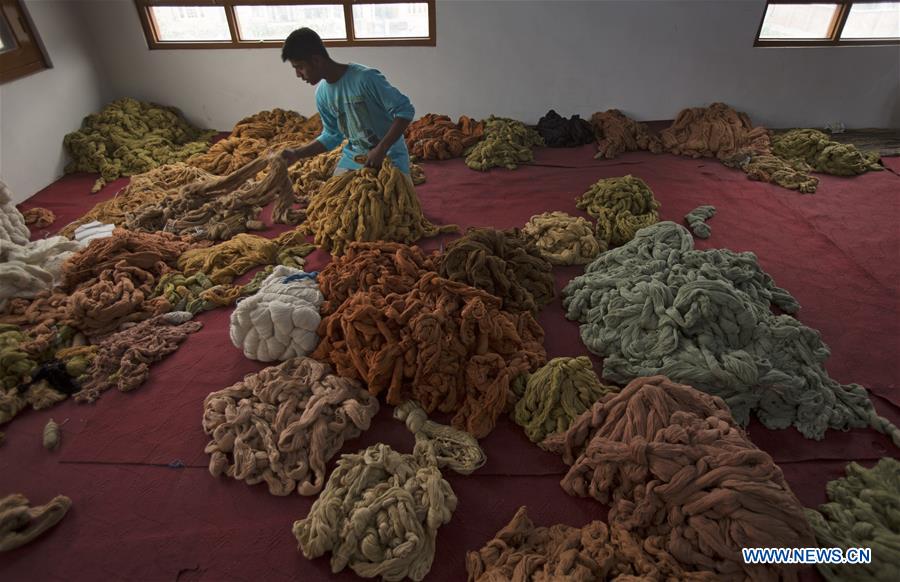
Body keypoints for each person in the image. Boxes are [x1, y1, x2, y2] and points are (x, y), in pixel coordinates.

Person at [276, 27, 415, 175]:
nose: (298, 75)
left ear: (316, 60)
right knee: (333, 196)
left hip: (390, 156)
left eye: (300, 67)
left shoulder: (365, 78)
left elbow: (405, 111)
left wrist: (381, 148)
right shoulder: (322, 93)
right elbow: (331, 136)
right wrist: (297, 154)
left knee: (390, 195)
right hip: (355, 158)